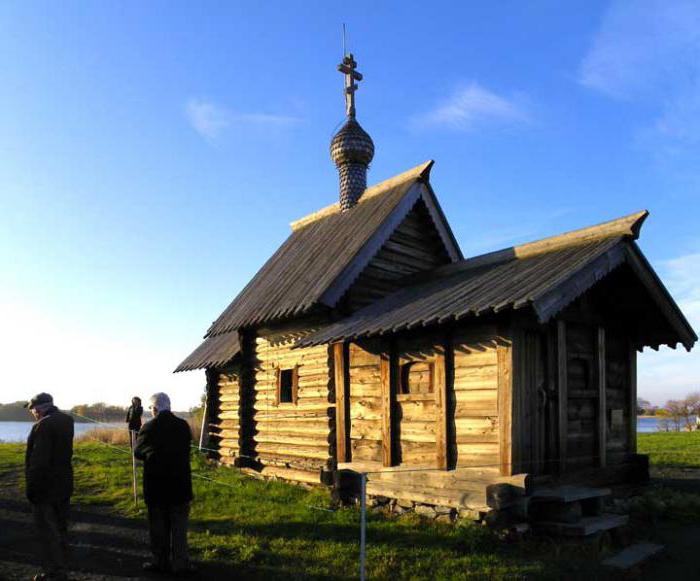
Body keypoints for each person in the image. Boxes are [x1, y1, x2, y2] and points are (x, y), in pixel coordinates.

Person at [134, 392, 194, 574]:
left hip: (157, 485)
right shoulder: (183, 426)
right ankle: (180, 563)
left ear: (154, 408)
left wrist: (151, 455)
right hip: (180, 484)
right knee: (179, 527)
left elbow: (138, 452)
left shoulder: (149, 427)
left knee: (158, 526)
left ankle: (160, 561)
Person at [24, 392, 74, 581]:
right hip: (64, 482)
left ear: (39, 408)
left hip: (45, 487)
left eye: (32, 410)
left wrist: (32, 487)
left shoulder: (43, 425)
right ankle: (62, 567)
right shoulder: (66, 420)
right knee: (61, 527)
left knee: (47, 530)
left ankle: (54, 571)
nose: (33, 413)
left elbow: (39, 461)